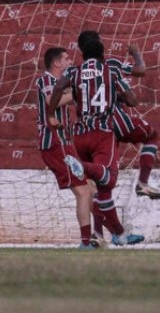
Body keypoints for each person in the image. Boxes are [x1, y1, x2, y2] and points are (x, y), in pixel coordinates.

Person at [48, 36, 144, 246]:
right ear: (102, 52)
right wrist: (118, 95)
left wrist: (50, 114)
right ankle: (82, 166)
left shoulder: (74, 71)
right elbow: (133, 99)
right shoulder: (110, 69)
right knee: (107, 180)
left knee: (90, 191)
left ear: (81, 52)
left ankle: (107, 234)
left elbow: (57, 89)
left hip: (80, 132)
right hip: (102, 132)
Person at [77, 31, 160, 200]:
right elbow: (140, 71)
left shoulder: (76, 72)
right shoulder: (111, 65)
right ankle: (143, 183)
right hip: (115, 119)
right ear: (101, 47)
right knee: (151, 135)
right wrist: (136, 53)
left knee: (102, 182)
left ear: (82, 51)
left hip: (87, 129)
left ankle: (98, 226)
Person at [36, 47, 95, 249]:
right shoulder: (45, 80)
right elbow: (54, 100)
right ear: (56, 63)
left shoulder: (61, 83)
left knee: (90, 189)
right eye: (67, 59)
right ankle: (87, 242)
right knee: (83, 192)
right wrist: (83, 90)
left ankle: (100, 234)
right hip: (54, 143)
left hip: (64, 143)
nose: (70, 62)